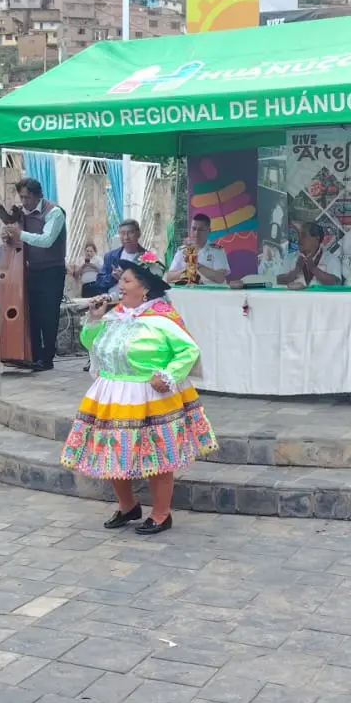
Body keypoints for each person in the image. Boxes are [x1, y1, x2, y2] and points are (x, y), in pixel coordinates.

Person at [61, 250, 217, 536]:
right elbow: (92, 345)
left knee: (157, 456)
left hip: (151, 396)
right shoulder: (114, 316)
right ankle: (128, 506)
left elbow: (188, 350)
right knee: (113, 451)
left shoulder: (162, 317)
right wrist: (94, 320)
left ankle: (161, 513)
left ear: (144, 287)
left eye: (127, 280)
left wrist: (168, 375)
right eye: (121, 280)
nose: (120, 285)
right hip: (112, 394)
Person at [0, 178, 67, 370]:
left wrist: (20, 234)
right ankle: (31, 355)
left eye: (27, 197)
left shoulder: (54, 212)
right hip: (30, 268)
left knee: (48, 315)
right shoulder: (22, 213)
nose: (24, 201)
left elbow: (47, 240)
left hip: (52, 270)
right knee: (31, 313)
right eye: (21, 197)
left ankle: (47, 359)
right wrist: (9, 236)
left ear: (37, 196)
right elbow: (19, 240)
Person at [166, 214, 230, 285]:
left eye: (201, 229)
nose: (196, 233)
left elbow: (220, 278)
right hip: (187, 290)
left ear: (209, 230)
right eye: (194, 229)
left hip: (210, 291)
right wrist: (186, 272)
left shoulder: (217, 251)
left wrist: (196, 266)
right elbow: (169, 277)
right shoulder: (182, 250)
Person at [278, 223, 344, 289]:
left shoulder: (331, 259)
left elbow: (336, 283)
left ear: (317, 238)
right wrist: (295, 271)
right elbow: (278, 280)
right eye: (298, 235)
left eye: (303, 235)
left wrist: (313, 268)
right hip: (294, 295)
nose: (299, 239)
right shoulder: (290, 258)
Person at [95, 219, 148, 299]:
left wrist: (128, 278)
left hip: (137, 302)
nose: (126, 237)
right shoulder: (111, 256)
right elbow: (99, 282)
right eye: (122, 233)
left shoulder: (147, 258)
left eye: (130, 232)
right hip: (112, 301)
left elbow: (152, 285)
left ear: (138, 234)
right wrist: (112, 277)